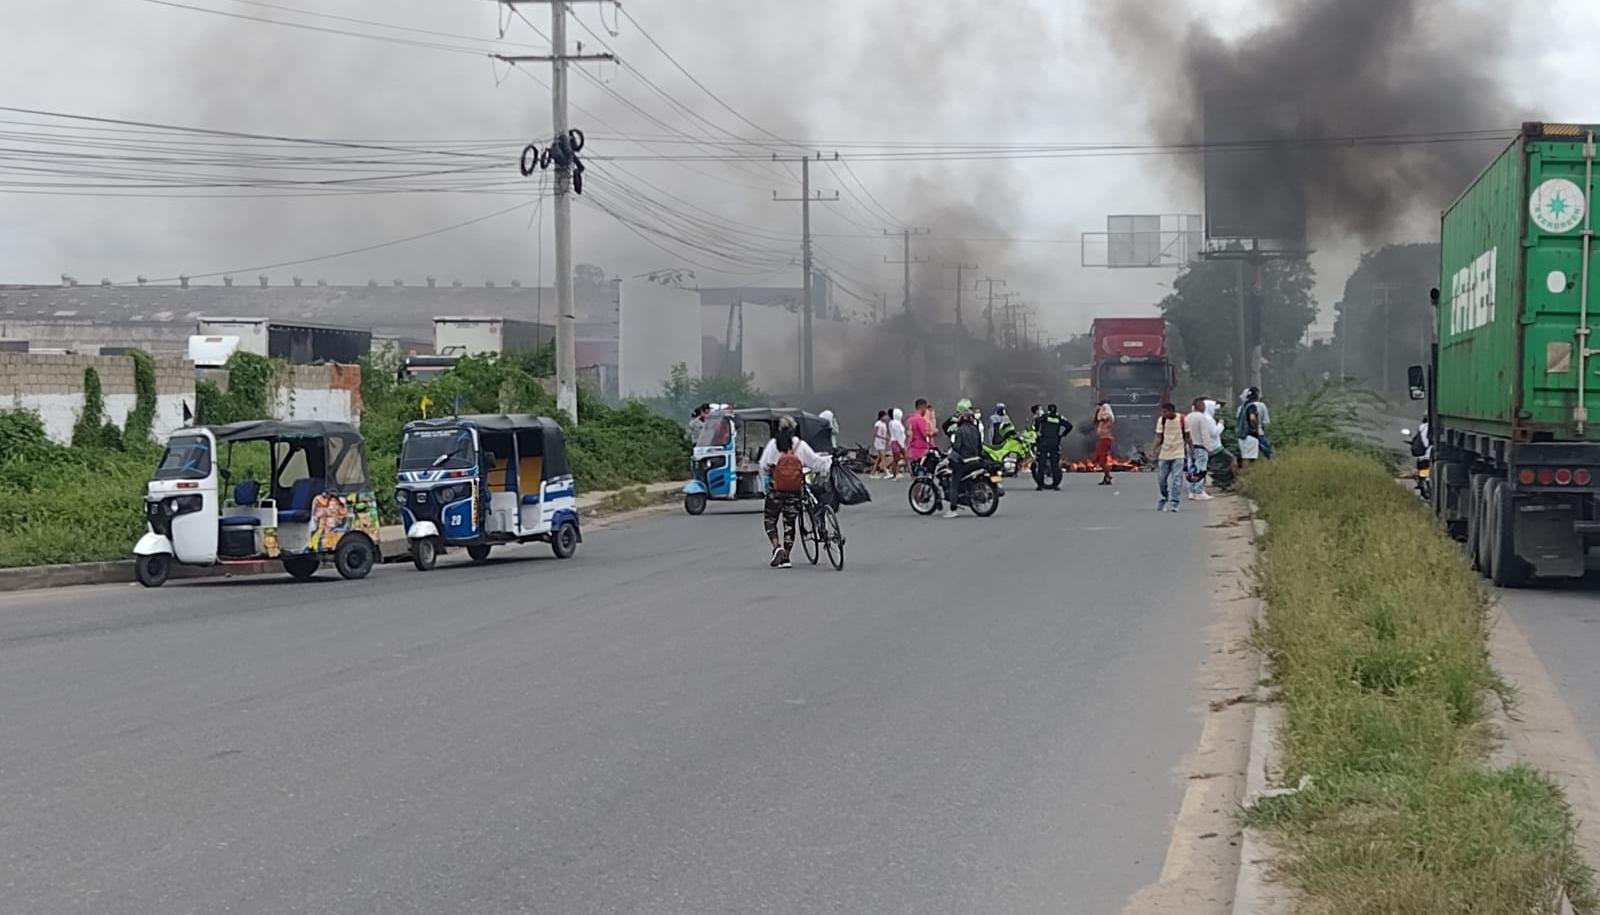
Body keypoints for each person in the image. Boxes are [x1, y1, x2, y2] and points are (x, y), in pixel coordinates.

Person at [759, 416, 831, 568]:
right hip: (794, 489)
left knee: (770, 519)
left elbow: (763, 465)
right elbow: (815, 462)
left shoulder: (773, 444)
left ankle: (776, 546)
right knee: (789, 522)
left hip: (776, 489)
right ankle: (786, 557)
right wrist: (826, 464)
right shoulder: (801, 445)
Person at [944, 409, 985, 518]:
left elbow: (957, 448)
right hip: (976, 460)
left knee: (954, 482)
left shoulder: (960, 431)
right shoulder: (976, 430)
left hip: (965, 462)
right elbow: (980, 447)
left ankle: (953, 508)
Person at [1153, 402, 1191, 512]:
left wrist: (1192, 451)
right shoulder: (1162, 420)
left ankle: (1175, 502)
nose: (1163, 414)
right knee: (1161, 479)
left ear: (1171, 411)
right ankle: (1164, 497)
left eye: (1165, 412)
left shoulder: (1183, 420)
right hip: (1164, 454)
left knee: (1177, 479)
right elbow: (1158, 437)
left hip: (1178, 453)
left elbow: (1188, 437)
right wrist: (1153, 450)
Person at [1033, 403, 1071, 491]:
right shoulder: (1059, 417)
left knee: (1041, 464)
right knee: (1054, 465)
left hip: (1043, 442)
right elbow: (1069, 426)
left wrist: (1037, 431)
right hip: (1054, 443)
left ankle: (1040, 485)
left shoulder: (1045, 416)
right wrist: (1062, 435)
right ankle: (1055, 485)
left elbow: (1037, 421)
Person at [1185, 397, 1217, 501]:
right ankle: (1198, 491)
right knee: (1201, 469)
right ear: (1201, 407)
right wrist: (1209, 448)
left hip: (1189, 446)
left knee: (1191, 468)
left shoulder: (1188, 417)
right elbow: (1205, 434)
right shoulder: (1202, 418)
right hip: (1200, 446)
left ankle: (1191, 491)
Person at [1237, 387, 1270, 466]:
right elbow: (1254, 419)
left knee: (1247, 456)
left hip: (1242, 435)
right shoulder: (1256, 406)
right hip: (1254, 435)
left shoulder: (1242, 407)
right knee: (1265, 455)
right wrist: (1256, 429)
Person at [1091, 402, 1116, 486]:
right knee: (1097, 458)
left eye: (1103, 408)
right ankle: (1107, 477)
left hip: (1106, 439)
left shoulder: (1108, 417)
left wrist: (1099, 409)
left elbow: (1100, 418)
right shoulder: (1101, 416)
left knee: (1102, 460)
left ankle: (1108, 476)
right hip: (1102, 439)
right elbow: (1094, 421)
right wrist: (1096, 411)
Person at [907, 399, 936, 468]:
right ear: (922, 407)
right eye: (925, 408)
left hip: (913, 448)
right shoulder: (920, 419)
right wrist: (933, 432)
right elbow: (925, 434)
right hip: (921, 449)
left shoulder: (910, 419)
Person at [870, 410, 891, 478]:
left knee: (879, 458)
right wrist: (884, 438)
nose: (886, 417)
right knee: (883, 457)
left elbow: (885, 433)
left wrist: (889, 438)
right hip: (878, 442)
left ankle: (873, 472)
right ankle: (886, 472)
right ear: (882, 416)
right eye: (885, 416)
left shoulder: (884, 424)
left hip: (883, 442)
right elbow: (875, 434)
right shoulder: (878, 424)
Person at [889, 407, 908, 479]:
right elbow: (898, 435)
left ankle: (896, 473)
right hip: (898, 442)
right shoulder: (895, 424)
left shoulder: (895, 423)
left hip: (898, 442)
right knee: (897, 459)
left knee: (902, 458)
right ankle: (895, 474)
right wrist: (901, 444)